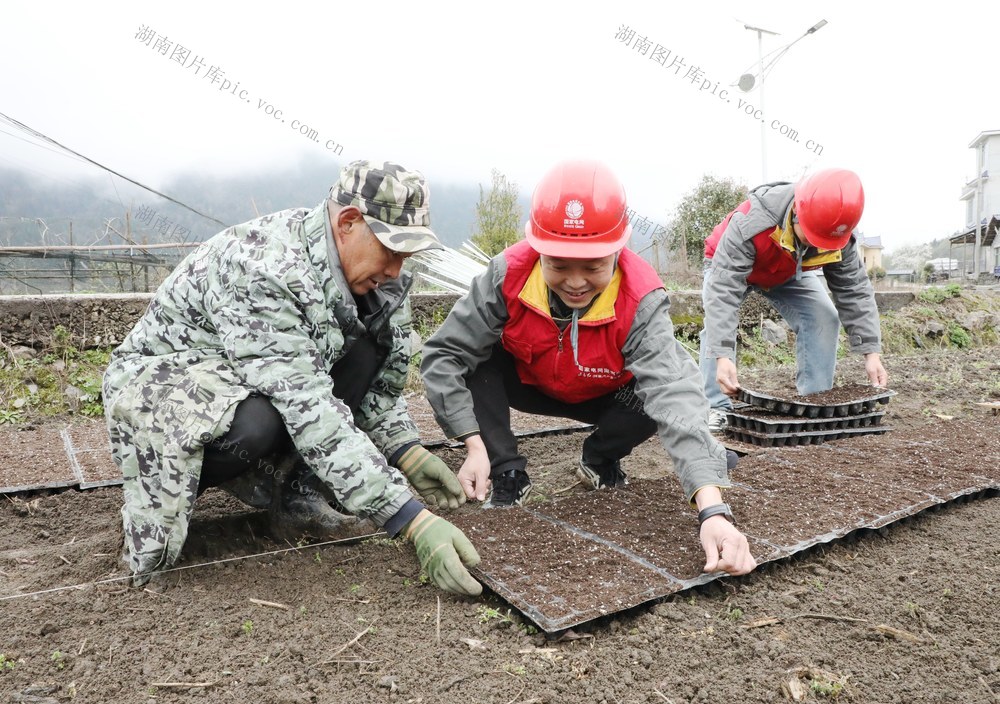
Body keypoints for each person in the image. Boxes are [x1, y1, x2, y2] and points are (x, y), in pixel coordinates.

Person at [103, 160, 482, 596]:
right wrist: (409, 519)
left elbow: (380, 383)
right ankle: (166, 494)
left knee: (366, 345)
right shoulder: (264, 268)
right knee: (256, 423)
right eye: (391, 251)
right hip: (165, 388)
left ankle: (298, 498)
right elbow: (308, 405)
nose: (396, 269)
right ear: (348, 222)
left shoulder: (375, 284)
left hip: (247, 376)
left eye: (406, 256)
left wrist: (407, 452)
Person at [421, 160, 756, 577]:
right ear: (538, 250)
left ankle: (599, 457)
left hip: (608, 394)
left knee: (660, 391)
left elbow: (674, 394)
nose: (575, 281)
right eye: (559, 265)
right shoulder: (506, 274)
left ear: (618, 250)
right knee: (477, 355)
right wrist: (472, 444)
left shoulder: (641, 297)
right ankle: (505, 468)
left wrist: (713, 510)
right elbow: (444, 354)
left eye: (594, 266)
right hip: (529, 381)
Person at [700, 168, 889, 433]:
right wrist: (723, 356)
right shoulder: (753, 222)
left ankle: (814, 403)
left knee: (823, 317)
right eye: (812, 237)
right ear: (798, 214)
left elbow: (854, 289)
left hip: (787, 269)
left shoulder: (837, 235)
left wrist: (871, 353)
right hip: (728, 267)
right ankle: (715, 407)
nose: (817, 245)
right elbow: (722, 294)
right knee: (717, 325)